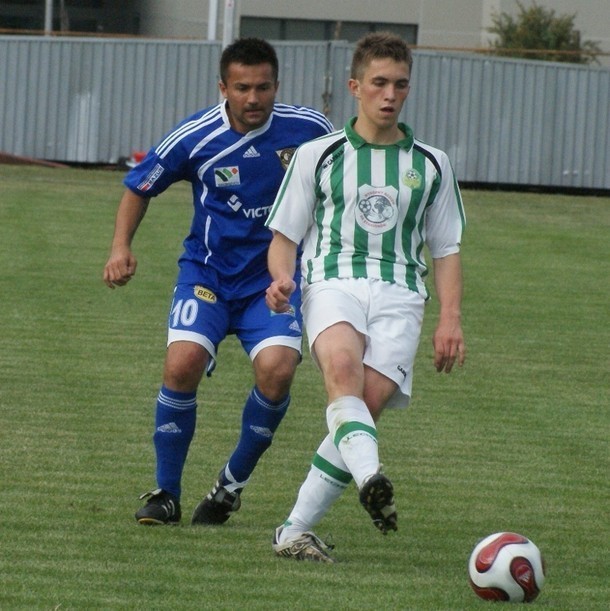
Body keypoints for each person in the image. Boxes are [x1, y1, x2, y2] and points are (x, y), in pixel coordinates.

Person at [103, 37, 333, 526]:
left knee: (277, 371)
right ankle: (166, 492)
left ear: (277, 85)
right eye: (243, 88)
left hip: (276, 282)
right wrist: (121, 247)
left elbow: (341, 187)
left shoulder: (310, 130)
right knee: (181, 363)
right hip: (207, 276)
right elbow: (138, 185)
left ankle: (230, 486)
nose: (254, 98)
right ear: (223, 87)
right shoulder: (195, 136)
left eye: (264, 87)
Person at [265, 32, 466, 562]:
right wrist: (282, 278)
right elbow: (284, 236)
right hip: (334, 282)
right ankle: (370, 477)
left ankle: (294, 530)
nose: (390, 94)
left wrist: (451, 319)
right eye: (378, 83)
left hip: (402, 293)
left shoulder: (433, 164)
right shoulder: (319, 154)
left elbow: (446, 249)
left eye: (400, 84)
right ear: (355, 86)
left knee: (365, 407)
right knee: (341, 371)